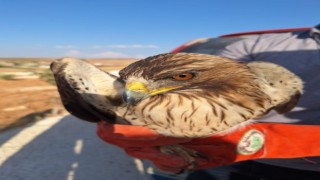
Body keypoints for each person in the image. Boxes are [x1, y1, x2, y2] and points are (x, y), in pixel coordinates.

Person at [97, 24, 320, 180]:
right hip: (222, 160)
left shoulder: (279, 73)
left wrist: (273, 141)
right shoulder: (258, 44)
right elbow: (211, 78)